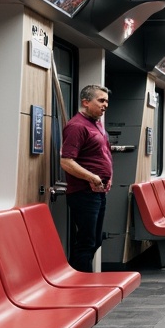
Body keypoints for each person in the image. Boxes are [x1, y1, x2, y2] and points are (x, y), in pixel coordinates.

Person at [60, 84, 113, 272]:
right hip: (83, 193)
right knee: (86, 242)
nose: (105, 104)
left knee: (96, 240)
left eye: (106, 101)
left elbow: (104, 153)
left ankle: (81, 278)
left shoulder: (97, 124)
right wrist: (93, 177)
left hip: (98, 192)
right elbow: (66, 161)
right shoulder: (76, 126)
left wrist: (109, 177)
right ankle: (81, 283)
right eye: (101, 100)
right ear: (85, 102)